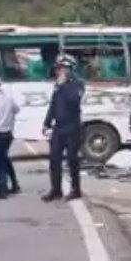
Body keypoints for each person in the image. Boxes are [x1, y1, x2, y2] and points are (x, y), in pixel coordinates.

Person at [42, 54, 85, 202]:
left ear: (68, 69)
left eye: (61, 68)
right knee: (54, 160)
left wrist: (64, 85)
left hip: (72, 127)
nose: (58, 71)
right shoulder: (58, 85)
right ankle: (56, 189)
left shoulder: (78, 84)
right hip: (58, 128)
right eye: (58, 68)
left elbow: (74, 100)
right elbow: (53, 104)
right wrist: (47, 122)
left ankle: (76, 189)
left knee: (72, 159)